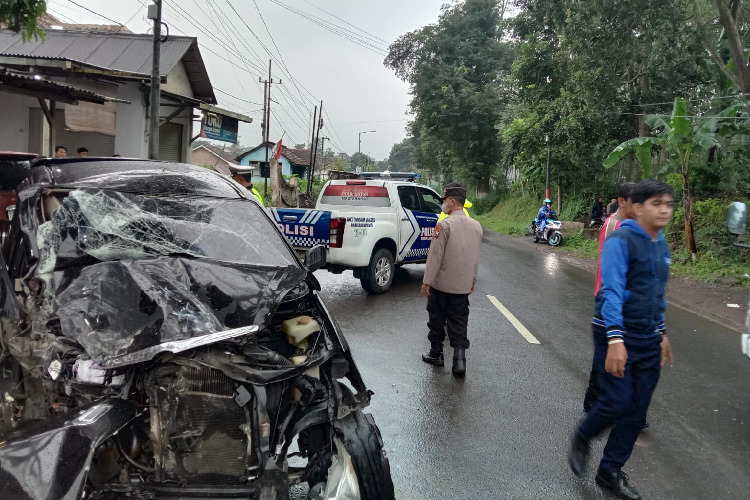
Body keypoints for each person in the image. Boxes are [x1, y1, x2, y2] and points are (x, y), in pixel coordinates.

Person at [569, 179, 675, 500]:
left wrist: (661, 331)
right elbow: (612, 291)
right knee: (616, 400)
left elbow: (655, 294)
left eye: (669, 204)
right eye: (657, 203)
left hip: (647, 335)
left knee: (637, 406)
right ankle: (583, 435)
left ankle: (610, 470)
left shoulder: (661, 244)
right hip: (613, 331)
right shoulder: (621, 240)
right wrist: (615, 339)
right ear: (638, 207)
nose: (664, 210)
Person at [420, 186, 483, 376]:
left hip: (441, 285)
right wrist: (472, 279)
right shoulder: (476, 226)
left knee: (437, 319)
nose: (443, 203)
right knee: (459, 321)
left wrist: (426, 282)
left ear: (453, 201)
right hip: (462, 286)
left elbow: (435, 257)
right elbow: (475, 257)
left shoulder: (444, 225)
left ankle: (436, 354)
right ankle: (459, 360)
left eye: (444, 200)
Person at [584, 182, 635, 413]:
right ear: (622, 201)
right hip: (609, 297)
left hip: (621, 298)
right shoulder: (614, 225)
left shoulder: (630, 225)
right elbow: (609, 266)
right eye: (635, 200)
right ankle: (594, 399)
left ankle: (609, 400)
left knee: (621, 349)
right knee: (606, 348)